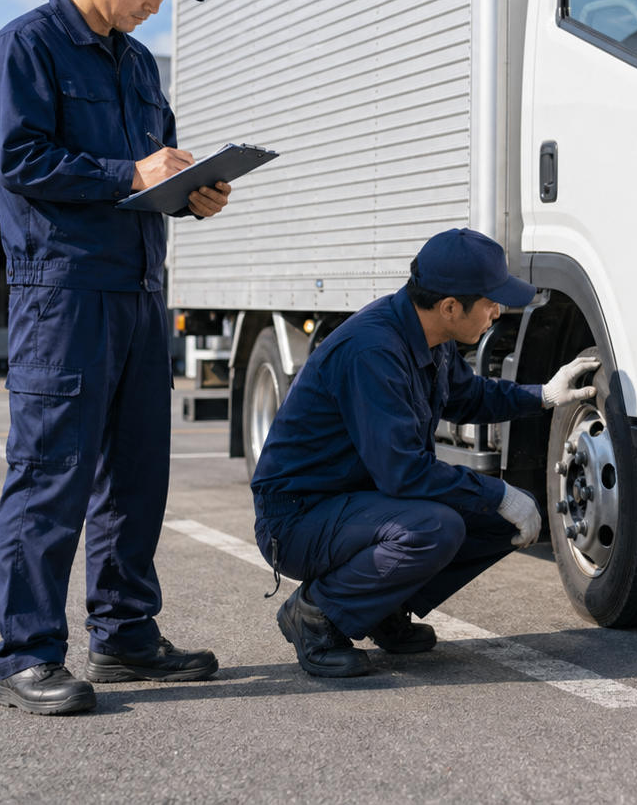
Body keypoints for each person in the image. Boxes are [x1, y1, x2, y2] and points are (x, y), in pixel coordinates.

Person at [0, 0, 232, 715]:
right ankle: (26, 656)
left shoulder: (139, 67)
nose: (156, 4)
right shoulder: (26, 47)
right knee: (50, 475)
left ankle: (124, 635)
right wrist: (130, 172)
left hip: (139, 293)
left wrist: (193, 195)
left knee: (135, 477)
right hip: (62, 294)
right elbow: (21, 159)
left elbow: (147, 172)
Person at [251, 228, 599, 677]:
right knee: (434, 526)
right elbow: (405, 475)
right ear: (451, 306)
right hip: (297, 519)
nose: (498, 312)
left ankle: (380, 607)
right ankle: (318, 614)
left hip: (354, 502)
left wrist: (545, 395)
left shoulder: (429, 335)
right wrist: (497, 493)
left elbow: (467, 397)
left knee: (497, 520)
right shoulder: (373, 351)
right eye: (491, 301)